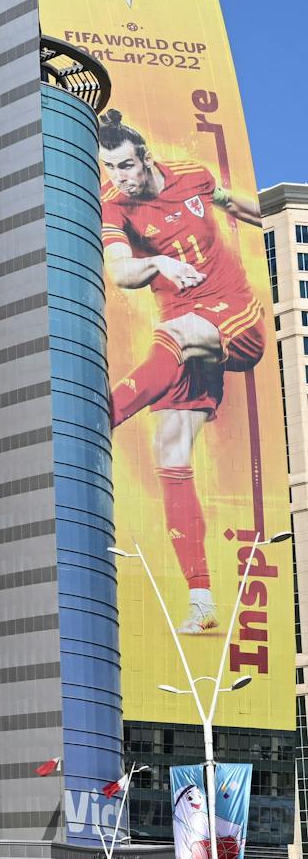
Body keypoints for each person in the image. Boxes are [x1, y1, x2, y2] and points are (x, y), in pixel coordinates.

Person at [99, 109, 263, 634]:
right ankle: (201, 601)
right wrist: (159, 265)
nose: (121, 178)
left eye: (126, 166)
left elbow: (230, 201)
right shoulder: (115, 208)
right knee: (170, 450)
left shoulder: (191, 175)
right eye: (111, 169)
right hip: (183, 331)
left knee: (179, 333)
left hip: (234, 315)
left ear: (144, 157)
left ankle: (91, 421)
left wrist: (281, 222)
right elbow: (121, 271)